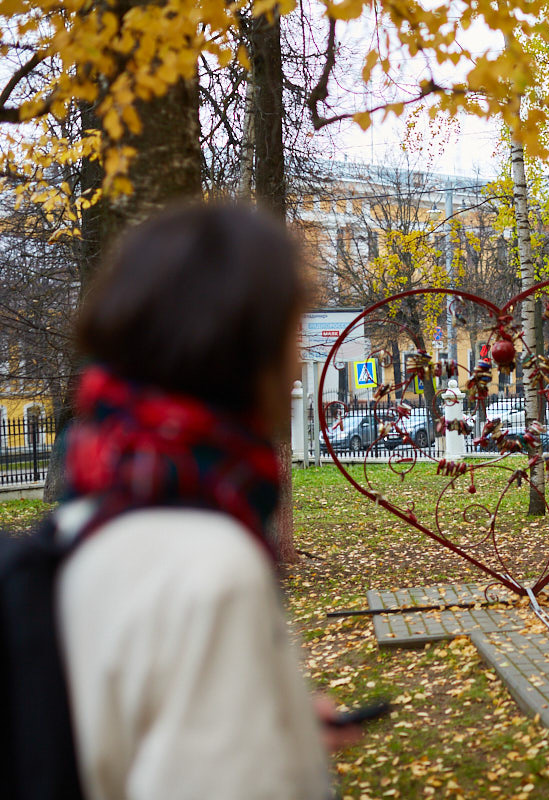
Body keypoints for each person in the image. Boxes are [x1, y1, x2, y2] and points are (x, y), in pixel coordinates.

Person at [56, 204, 358, 800]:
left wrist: (270, 724)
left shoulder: (88, 515)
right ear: (245, 347)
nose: (297, 359)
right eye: (290, 330)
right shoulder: (213, 567)